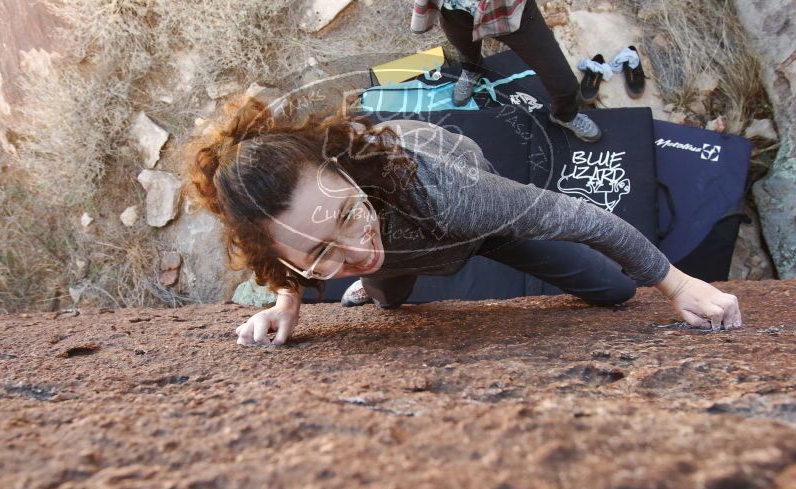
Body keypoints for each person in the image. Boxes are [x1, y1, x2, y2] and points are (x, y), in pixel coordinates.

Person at [185, 96, 742, 347]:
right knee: (387, 300)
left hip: (473, 229)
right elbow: (289, 258)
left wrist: (675, 281)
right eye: (319, 252)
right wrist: (286, 303)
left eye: (349, 215)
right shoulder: (300, 242)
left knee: (615, 290)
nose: (353, 247)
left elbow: (578, 215)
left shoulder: (449, 195)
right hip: (403, 250)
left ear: (350, 176)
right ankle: (370, 284)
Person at [410, 0, 602, 142]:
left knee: (565, 84)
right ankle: (472, 71)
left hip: (511, 13)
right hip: (456, 12)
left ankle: (565, 116)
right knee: (467, 54)